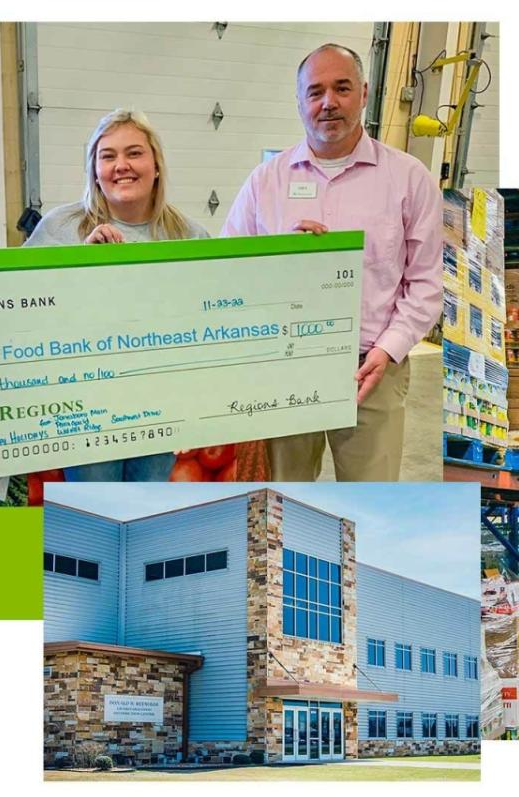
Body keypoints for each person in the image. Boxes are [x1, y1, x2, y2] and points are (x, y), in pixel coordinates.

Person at [221, 43, 443, 481]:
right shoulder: (266, 181)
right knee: (284, 494)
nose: (328, 103)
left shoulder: (407, 178)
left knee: (372, 497)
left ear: (363, 92)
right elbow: (231, 272)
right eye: (315, 91)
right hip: (287, 365)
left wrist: (387, 351)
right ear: (300, 102)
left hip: (372, 367)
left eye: (341, 88)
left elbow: (425, 284)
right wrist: (281, 258)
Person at [24, 109, 210, 482]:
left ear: (156, 165)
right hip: (86, 412)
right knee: (94, 507)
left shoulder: (189, 236)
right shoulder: (60, 228)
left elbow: (212, 321)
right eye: (107, 156)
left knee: (148, 504)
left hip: (161, 407)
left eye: (134, 153)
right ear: (94, 170)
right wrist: (81, 268)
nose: (121, 165)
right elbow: (24, 311)